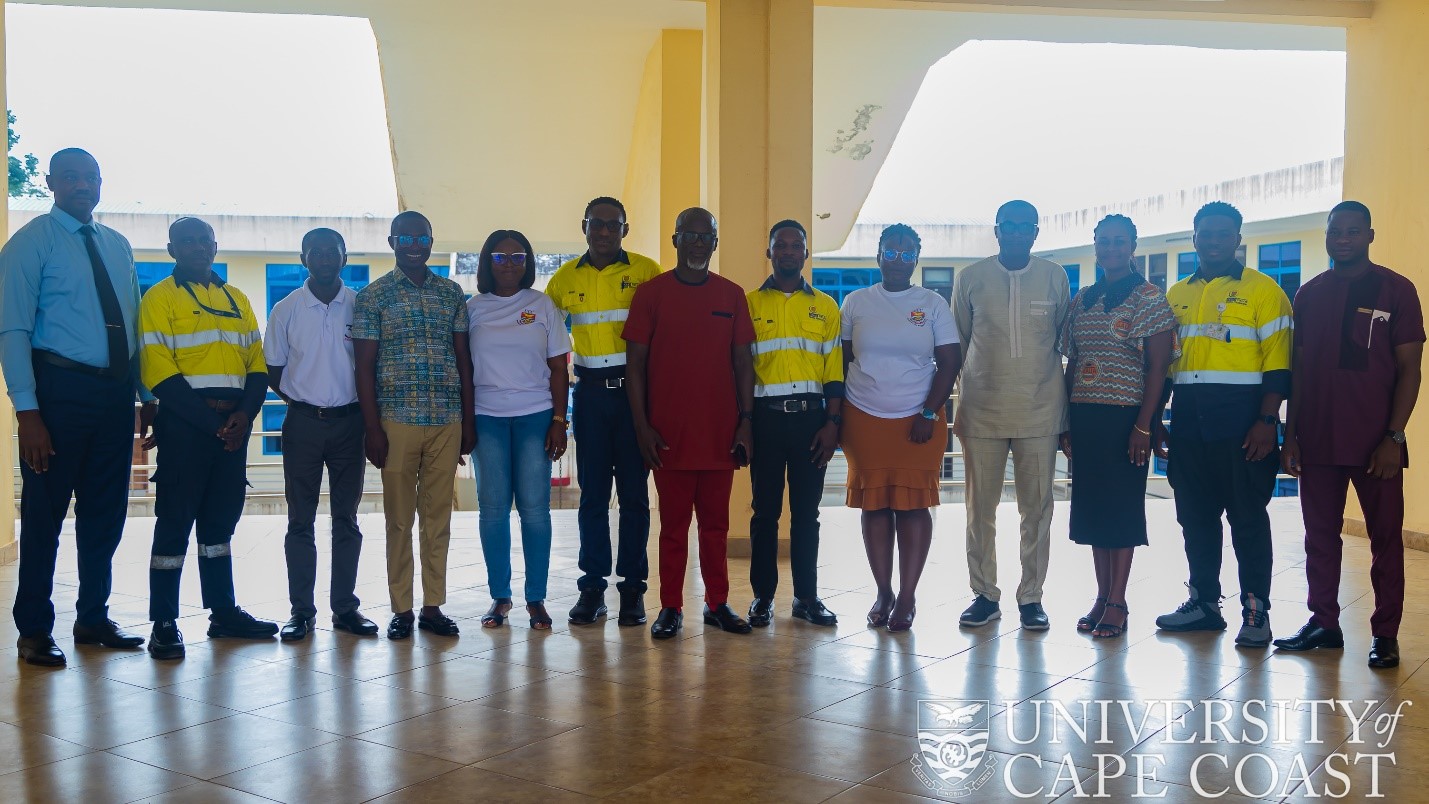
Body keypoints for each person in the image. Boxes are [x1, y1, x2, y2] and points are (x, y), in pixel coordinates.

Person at [0, 148, 151, 666]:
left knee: (105, 514)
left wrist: (143, 393)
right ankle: (35, 630)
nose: (82, 186)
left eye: (91, 177)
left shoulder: (117, 244)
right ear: (50, 183)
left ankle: (92, 617)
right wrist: (28, 412)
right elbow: (13, 329)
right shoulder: (29, 245)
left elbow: (132, 324)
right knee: (44, 515)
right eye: (71, 177)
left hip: (113, 396)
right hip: (57, 395)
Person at [1275, 201, 1423, 669]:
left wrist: (1393, 438)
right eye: (1335, 230)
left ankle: (1386, 634)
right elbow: (1297, 372)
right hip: (1318, 440)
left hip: (1376, 443)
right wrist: (1291, 435)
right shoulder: (1309, 294)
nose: (1343, 238)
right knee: (1319, 538)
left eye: (1353, 231)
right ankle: (1324, 623)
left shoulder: (1397, 290)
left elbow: (1410, 371)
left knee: (1385, 540)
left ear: (1370, 236)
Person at [1153, 201, 1292, 648]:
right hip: (1189, 421)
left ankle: (1255, 610)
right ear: (1194, 237)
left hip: (1244, 422)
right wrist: (1158, 420)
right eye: (1204, 233)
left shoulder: (1265, 291)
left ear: (1237, 238)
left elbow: (1279, 367)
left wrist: (1267, 420)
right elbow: (1163, 367)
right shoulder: (1176, 294)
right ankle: (1204, 604)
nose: (1213, 240)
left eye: (1223, 233)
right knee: (1195, 517)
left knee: (1248, 517)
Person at [140, 216, 278, 659]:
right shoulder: (159, 298)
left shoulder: (236, 298)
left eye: (205, 241)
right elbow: (158, 369)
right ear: (172, 249)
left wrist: (244, 415)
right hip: (186, 426)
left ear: (215, 246)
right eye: (188, 241)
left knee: (219, 526)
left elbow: (257, 364)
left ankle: (223, 613)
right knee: (175, 521)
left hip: (232, 428)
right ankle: (163, 621)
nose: (198, 247)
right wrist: (212, 423)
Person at [624, 207, 756, 639]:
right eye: (691, 235)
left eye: (707, 237)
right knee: (674, 527)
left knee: (717, 526)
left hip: (720, 433)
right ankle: (670, 607)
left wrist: (745, 422)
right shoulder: (650, 294)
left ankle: (718, 603)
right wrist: (643, 427)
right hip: (668, 436)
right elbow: (636, 366)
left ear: (715, 244)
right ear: (676, 239)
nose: (699, 243)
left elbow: (742, 364)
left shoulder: (732, 295)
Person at [353, 211, 475, 640]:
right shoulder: (373, 297)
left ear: (429, 241)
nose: (412, 244)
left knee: (438, 516)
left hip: (446, 420)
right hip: (396, 421)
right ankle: (401, 608)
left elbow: (463, 359)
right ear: (392, 242)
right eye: (404, 237)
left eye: (420, 237)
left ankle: (432, 607)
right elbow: (363, 369)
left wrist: (469, 420)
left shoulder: (451, 293)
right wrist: (373, 428)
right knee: (399, 519)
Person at [1057, 215, 1176, 639]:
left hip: (1127, 417)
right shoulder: (1082, 298)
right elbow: (1070, 361)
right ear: (1095, 246)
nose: (1111, 248)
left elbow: (1159, 368)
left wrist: (1145, 425)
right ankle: (1101, 594)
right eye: (1103, 241)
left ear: (1133, 246)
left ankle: (1119, 601)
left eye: (1119, 241)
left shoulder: (1149, 297)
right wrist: (1066, 423)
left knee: (1122, 508)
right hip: (1085, 416)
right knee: (1093, 510)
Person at [953, 200, 1069, 631]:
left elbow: (1063, 345)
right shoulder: (971, 278)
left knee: (1036, 510)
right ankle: (984, 594)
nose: (1018, 233)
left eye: (1026, 227)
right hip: (981, 412)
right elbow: (959, 344)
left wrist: (1067, 420)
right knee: (978, 509)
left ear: (1036, 232)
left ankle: (1031, 598)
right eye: (1010, 226)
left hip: (1040, 412)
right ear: (997, 230)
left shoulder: (1055, 277)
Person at [546, 197, 660, 627]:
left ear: (625, 230)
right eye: (598, 224)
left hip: (635, 399)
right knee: (592, 497)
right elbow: (546, 342)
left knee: (634, 498)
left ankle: (632, 592)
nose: (606, 232)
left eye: (614, 225)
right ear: (585, 226)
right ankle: (591, 589)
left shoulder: (646, 272)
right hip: (590, 397)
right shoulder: (563, 279)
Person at [841, 223, 961, 632]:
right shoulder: (855, 302)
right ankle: (883, 592)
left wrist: (930, 412)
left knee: (912, 506)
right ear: (878, 255)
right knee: (874, 505)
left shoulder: (932, 303)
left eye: (907, 253)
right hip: (863, 417)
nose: (898, 259)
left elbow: (949, 361)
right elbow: (841, 362)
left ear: (916, 259)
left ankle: (907, 597)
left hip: (919, 420)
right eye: (890, 252)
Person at [265, 228, 379, 641]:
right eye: (317, 252)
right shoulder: (287, 309)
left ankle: (345, 609)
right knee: (300, 520)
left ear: (345, 258)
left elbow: (372, 366)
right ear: (304, 259)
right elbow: (274, 371)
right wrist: (307, 399)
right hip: (303, 425)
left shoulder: (361, 305)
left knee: (346, 518)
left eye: (333, 252)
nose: (326, 259)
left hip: (351, 424)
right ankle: (301, 611)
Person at [466, 230, 571, 631]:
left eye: (517, 257)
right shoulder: (473, 308)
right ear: (486, 263)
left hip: (535, 417)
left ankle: (536, 599)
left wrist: (559, 422)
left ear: (527, 262)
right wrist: (466, 424)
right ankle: (500, 597)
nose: (509, 264)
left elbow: (559, 368)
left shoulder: (541, 305)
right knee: (493, 511)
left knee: (534, 512)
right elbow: (465, 371)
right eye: (499, 256)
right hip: (487, 418)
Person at [745, 219, 843, 628]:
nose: (788, 252)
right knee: (764, 513)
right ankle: (762, 598)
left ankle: (806, 597)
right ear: (769, 252)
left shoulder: (826, 306)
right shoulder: (748, 304)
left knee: (806, 514)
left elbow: (835, 372)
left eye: (796, 245)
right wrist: (744, 423)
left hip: (811, 423)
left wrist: (833, 423)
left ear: (805, 253)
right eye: (780, 245)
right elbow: (741, 370)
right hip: (765, 422)